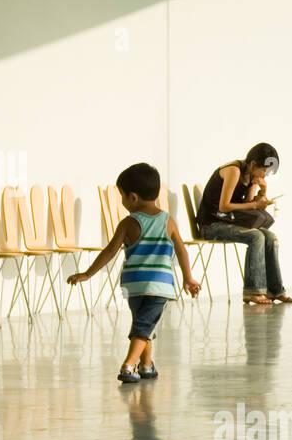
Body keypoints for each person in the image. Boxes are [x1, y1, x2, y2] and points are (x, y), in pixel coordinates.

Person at [66, 163, 199, 382]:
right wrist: (188, 277)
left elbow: (109, 251)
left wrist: (88, 273)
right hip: (159, 286)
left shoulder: (128, 223)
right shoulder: (168, 221)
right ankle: (129, 366)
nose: (122, 201)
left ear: (133, 197)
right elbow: (181, 251)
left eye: (121, 196)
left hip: (134, 286)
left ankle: (145, 365)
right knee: (144, 326)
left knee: (143, 324)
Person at [196, 142, 292, 306]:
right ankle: (253, 291)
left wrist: (260, 190)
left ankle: (275, 290)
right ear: (253, 164)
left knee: (270, 237)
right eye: (264, 170)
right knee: (256, 236)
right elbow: (224, 206)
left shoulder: (250, 175)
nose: (265, 174)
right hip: (211, 225)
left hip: (229, 221)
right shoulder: (233, 170)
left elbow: (246, 203)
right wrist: (255, 205)